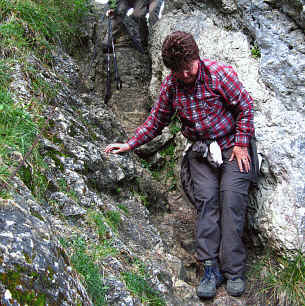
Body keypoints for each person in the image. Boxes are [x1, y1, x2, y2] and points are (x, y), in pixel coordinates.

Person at [104, 31, 255, 298]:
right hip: (201, 149)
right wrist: (130, 144)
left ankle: (234, 269)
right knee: (208, 200)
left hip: (233, 145)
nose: (185, 75)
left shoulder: (220, 74)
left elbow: (244, 105)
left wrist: (242, 142)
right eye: (178, 71)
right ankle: (210, 267)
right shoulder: (171, 86)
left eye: (188, 67)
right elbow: (156, 121)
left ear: (196, 57)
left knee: (231, 199)